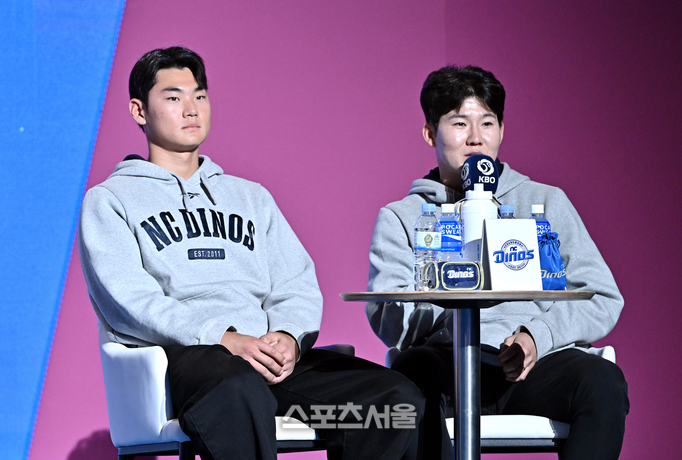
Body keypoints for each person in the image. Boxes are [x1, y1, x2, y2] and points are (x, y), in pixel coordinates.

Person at [78, 46, 423, 460]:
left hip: (268, 361)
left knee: (393, 400)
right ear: (139, 111)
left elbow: (295, 282)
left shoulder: (250, 197)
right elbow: (131, 302)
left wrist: (289, 338)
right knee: (236, 389)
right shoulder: (111, 200)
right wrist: (224, 338)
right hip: (188, 362)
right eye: (173, 97)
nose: (191, 109)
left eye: (200, 96)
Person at [365, 65, 629, 460]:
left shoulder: (545, 201)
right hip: (445, 368)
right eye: (459, 123)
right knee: (408, 377)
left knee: (602, 381)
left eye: (487, 123)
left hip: (534, 366)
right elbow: (389, 320)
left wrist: (537, 336)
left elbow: (602, 297)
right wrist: (447, 305)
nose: (475, 137)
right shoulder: (402, 216)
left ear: (502, 130)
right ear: (430, 133)